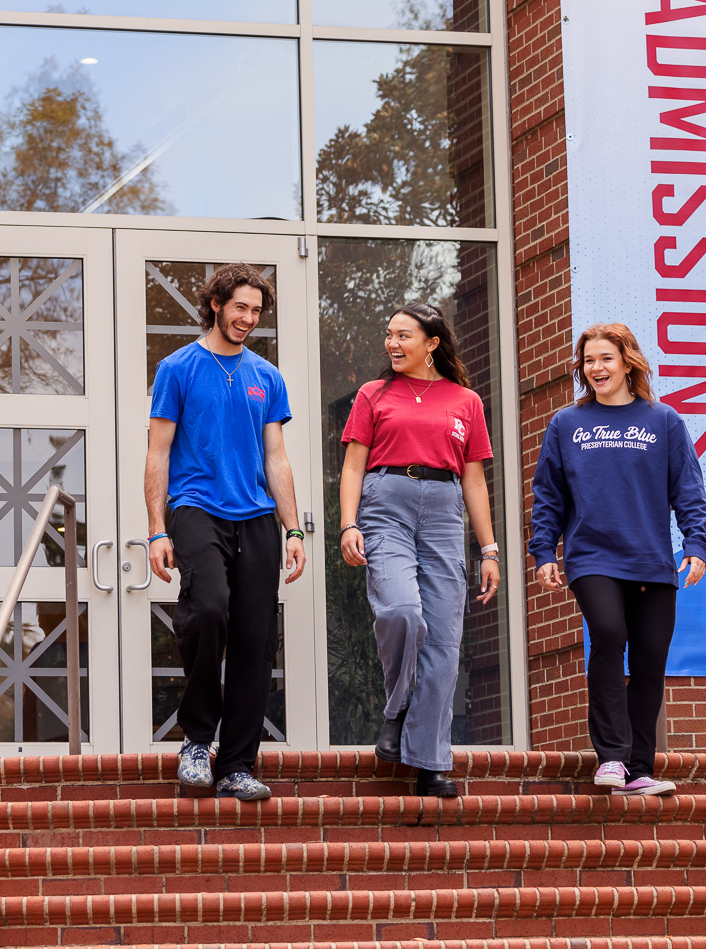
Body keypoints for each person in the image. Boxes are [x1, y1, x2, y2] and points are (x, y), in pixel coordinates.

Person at [146, 263, 306, 801]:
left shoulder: (267, 377)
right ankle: (196, 740)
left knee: (255, 639)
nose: (248, 318)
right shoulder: (178, 368)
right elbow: (158, 452)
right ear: (216, 304)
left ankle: (237, 763)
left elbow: (276, 458)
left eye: (257, 311)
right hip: (196, 508)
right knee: (208, 609)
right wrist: (155, 530)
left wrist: (294, 528)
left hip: (257, 516)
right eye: (240, 307)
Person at [528, 323, 706, 798]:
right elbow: (548, 495)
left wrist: (695, 544)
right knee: (609, 634)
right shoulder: (567, 424)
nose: (596, 368)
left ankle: (640, 768)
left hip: (651, 559)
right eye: (588, 360)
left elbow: (687, 489)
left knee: (649, 661)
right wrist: (544, 551)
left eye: (605, 358)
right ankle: (611, 757)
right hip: (593, 556)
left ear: (628, 362)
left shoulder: (663, 420)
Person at [337, 302, 500, 800]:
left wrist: (489, 549)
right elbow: (352, 468)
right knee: (403, 613)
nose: (392, 344)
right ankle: (396, 710)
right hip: (386, 503)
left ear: (431, 343)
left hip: (446, 510)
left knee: (444, 642)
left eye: (403, 335)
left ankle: (429, 760)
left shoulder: (465, 401)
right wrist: (347, 524)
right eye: (389, 335)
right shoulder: (373, 394)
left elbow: (474, 481)